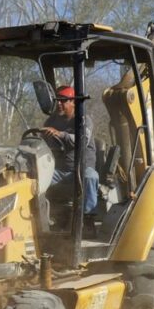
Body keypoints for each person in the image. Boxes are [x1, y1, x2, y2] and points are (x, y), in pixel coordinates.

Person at [40, 85, 100, 215]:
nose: (59, 104)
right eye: (57, 100)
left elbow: (82, 141)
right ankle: (41, 214)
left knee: (90, 176)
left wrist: (60, 134)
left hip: (80, 170)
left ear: (73, 102)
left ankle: (88, 217)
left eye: (63, 100)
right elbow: (43, 142)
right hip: (59, 171)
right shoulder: (51, 121)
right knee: (35, 176)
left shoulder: (83, 119)